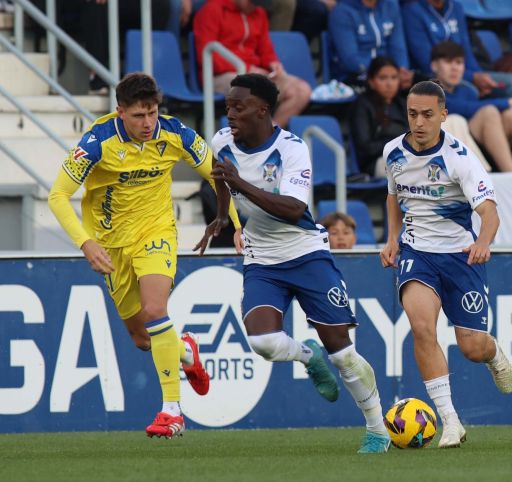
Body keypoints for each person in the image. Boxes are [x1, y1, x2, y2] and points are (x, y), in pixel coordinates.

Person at [47, 73, 243, 438]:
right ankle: (184, 351)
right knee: (142, 338)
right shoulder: (96, 143)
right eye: (138, 115)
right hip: (110, 245)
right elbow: (57, 196)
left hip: (155, 233)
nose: (147, 123)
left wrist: (234, 223)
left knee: (156, 311)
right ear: (120, 111)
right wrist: (86, 243)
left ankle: (173, 412)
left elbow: (221, 175)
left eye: (152, 112)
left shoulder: (176, 134)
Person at [210, 74, 391, 453]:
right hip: (262, 259)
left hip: (305, 252)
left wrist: (239, 185)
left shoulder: (292, 149)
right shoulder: (222, 141)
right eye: (227, 106)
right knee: (263, 342)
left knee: (343, 352)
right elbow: (221, 182)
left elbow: (295, 210)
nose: (229, 114)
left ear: (262, 110)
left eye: (237, 107)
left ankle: (378, 429)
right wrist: (225, 218)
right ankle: (307, 356)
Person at [379, 81, 512, 448]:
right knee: (422, 328)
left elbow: (489, 212)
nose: (419, 122)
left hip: (460, 257)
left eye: (427, 114)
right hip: (416, 254)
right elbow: (394, 195)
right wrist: (392, 239)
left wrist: (483, 242)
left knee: (472, 347)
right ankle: (450, 421)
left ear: (443, 114)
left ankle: (493, 352)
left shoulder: (460, 158)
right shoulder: (393, 151)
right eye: (412, 114)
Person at [194, 0, 312, 128]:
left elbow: (265, 48)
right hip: (219, 75)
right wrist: (246, 68)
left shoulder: (259, 12)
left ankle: (268, 135)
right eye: (252, 2)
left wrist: (273, 63)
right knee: (254, 90)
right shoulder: (212, 10)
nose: (255, 6)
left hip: (254, 74)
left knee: (301, 90)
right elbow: (207, 56)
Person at [431, 41, 512, 172]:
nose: (454, 68)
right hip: (453, 153)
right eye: (448, 62)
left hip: (481, 146)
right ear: (434, 66)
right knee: (488, 112)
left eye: (459, 62)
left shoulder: (468, 89)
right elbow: (461, 108)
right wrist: (510, 102)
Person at [402, 0, 512, 98]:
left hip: (463, 72)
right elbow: (426, 62)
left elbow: (466, 50)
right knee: (470, 92)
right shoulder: (412, 11)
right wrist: (472, 78)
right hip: (435, 76)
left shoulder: (456, 7)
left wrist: (480, 75)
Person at [328, 0, 413, 89]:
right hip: (355, 75)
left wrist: (401, 69)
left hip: (389, 73)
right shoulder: (342, 12)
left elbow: (398, 48)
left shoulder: (391, 5)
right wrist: (384, 72)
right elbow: (350, 59)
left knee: (422, 86)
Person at [350, 57, 408, 177]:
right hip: (379, 161)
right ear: (371, 82)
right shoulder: (363, 105)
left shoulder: (402, 103)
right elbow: (365, 148)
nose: (389, 83)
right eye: (383, 78)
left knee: (453, 120)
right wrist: (397, 141)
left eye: (394, 78)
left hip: (409, 155)